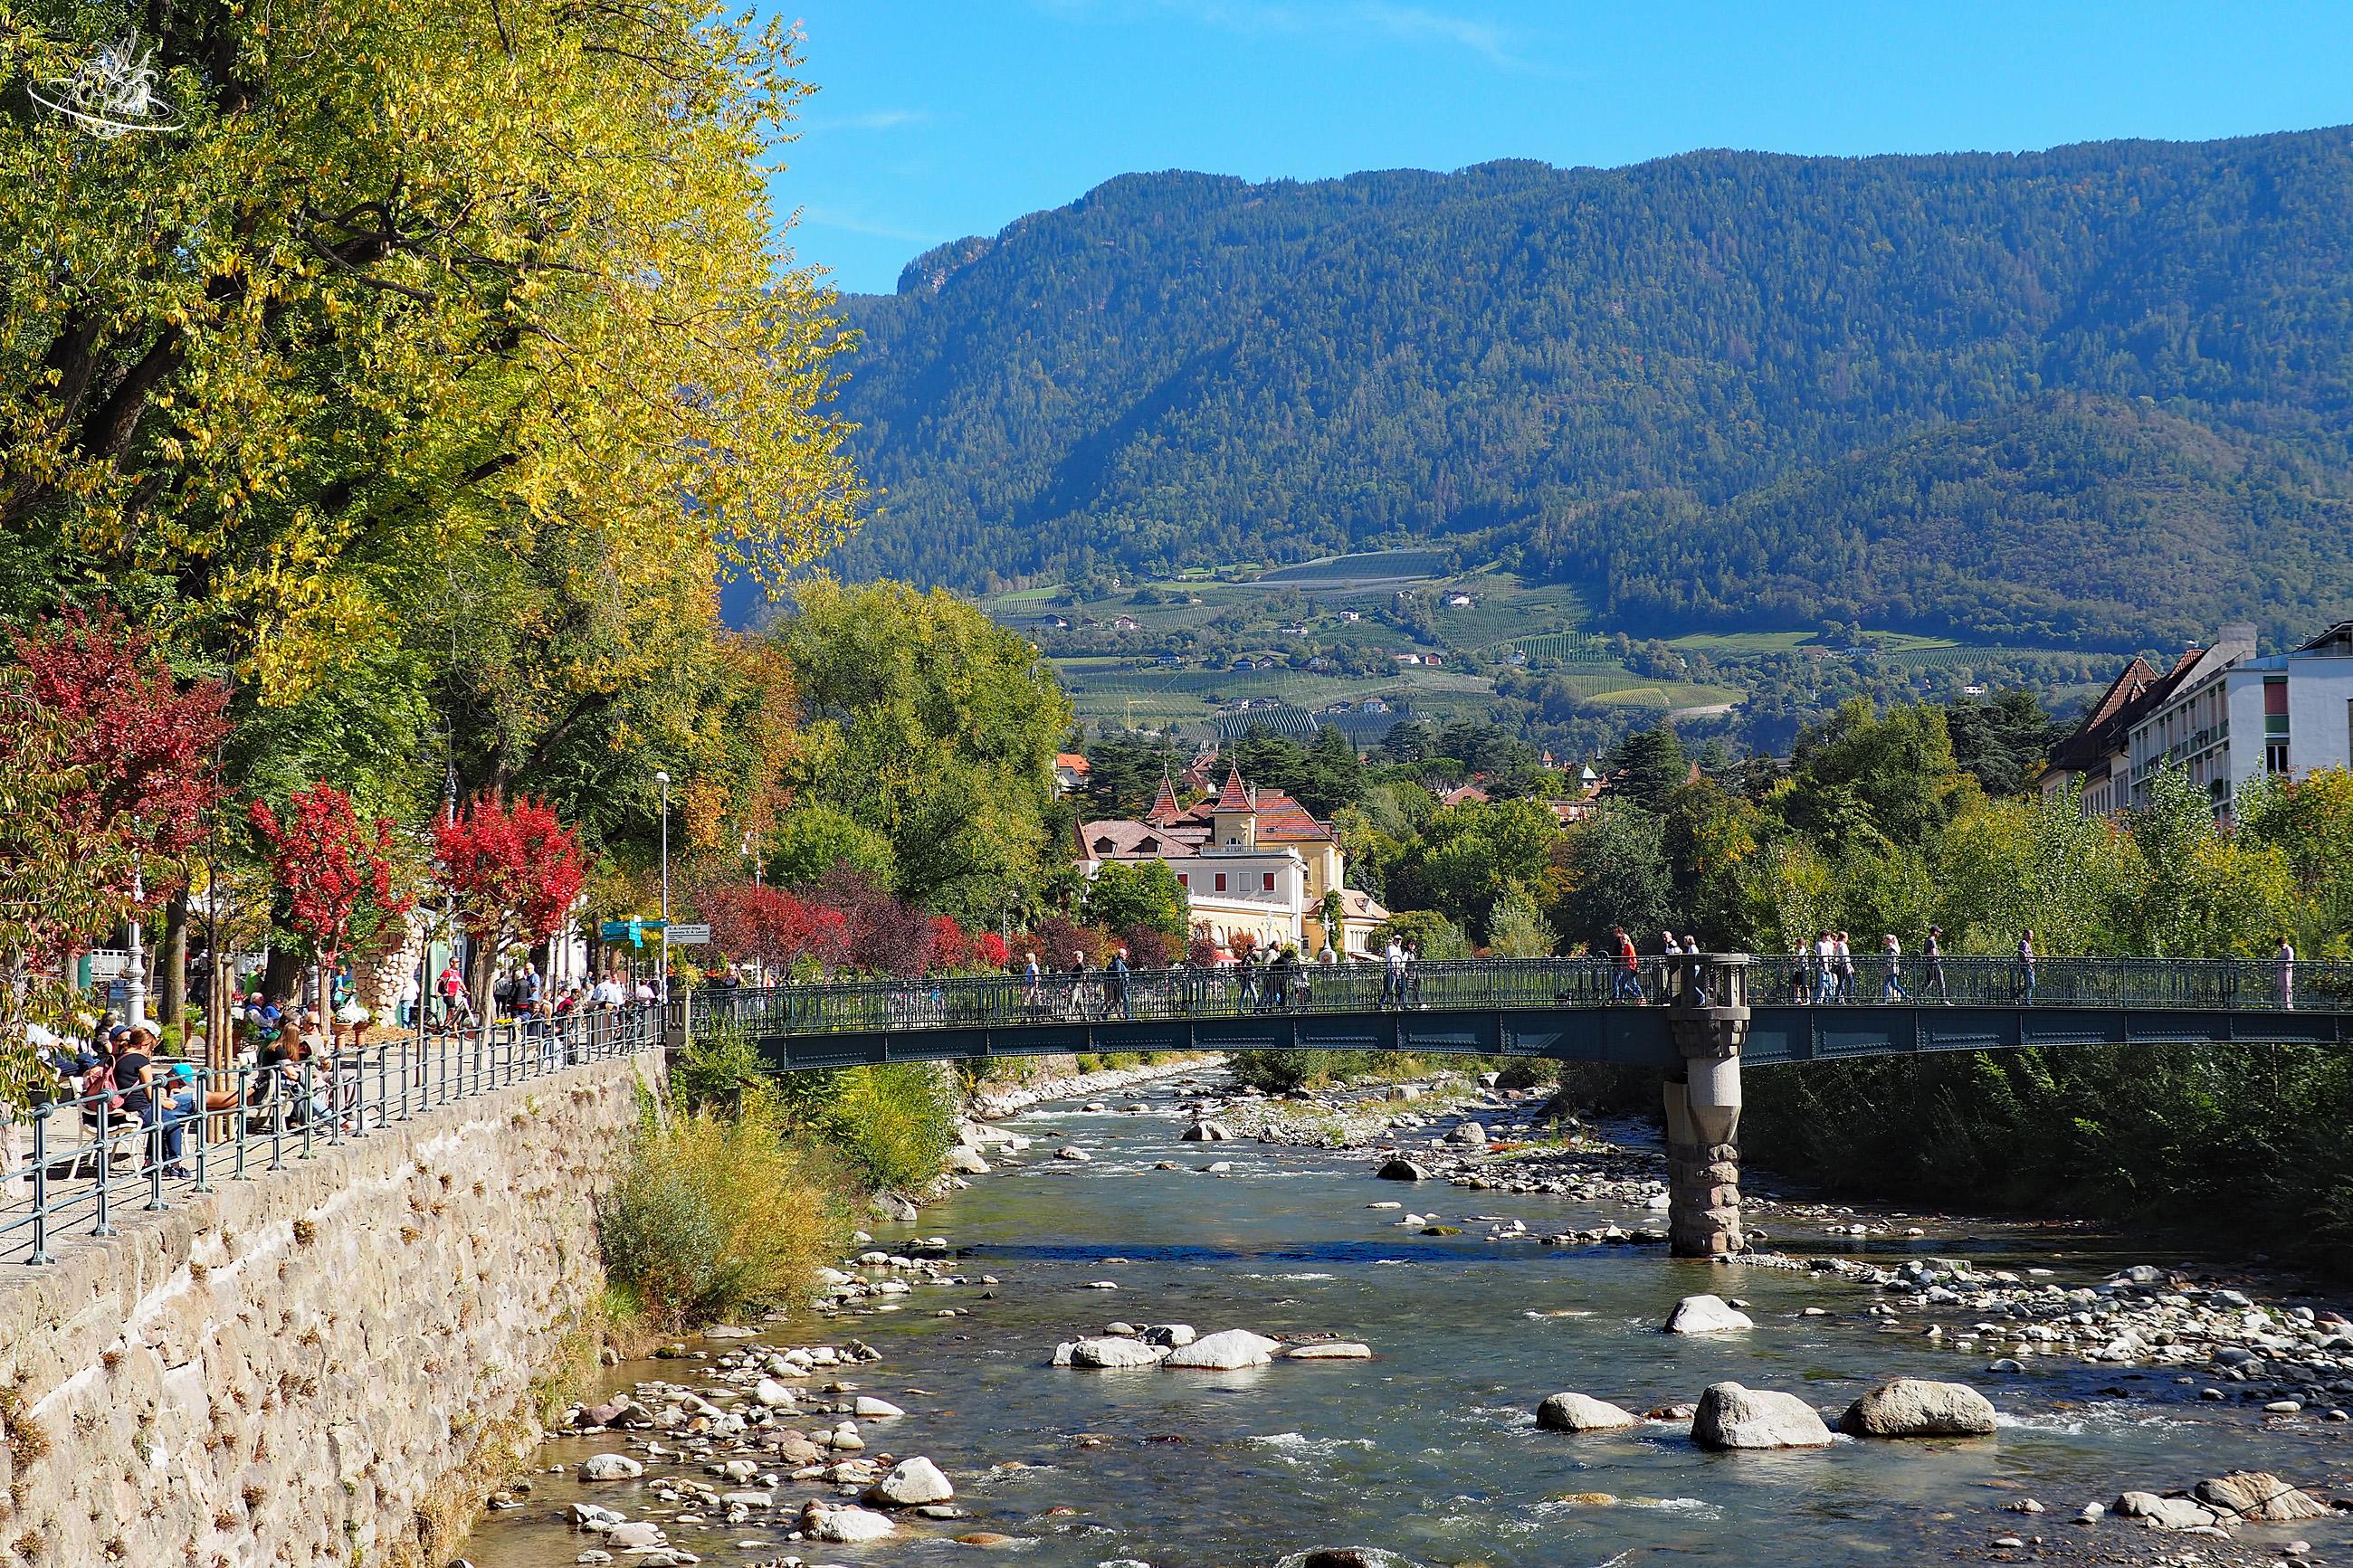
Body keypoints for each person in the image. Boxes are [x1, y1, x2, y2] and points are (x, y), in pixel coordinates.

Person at [1608, 925, 1643, 1003]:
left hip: (1629, 967)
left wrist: (1627, 965)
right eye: (1622, 939)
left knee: (1631, 983)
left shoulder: (1629, 946)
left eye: (1624, 939)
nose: (1623, 941)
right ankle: (1623, 998)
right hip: (1624, 967)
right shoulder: (1624, 946)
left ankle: (1640, 997)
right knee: (1622, 983)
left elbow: (1631, 957)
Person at [1923, 925, 1949, 1003]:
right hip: (1935, 964)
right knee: (1941, 982)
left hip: (1929, 964)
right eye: (1938, 932)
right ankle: (1943, 1000)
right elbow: (1933, 954)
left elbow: (1926, 953)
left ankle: (1917, 997)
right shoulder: (1932, 941)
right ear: (1935, 932)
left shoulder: (1927, 941)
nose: (1939, 934)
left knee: (1927, 982)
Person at [1881, 934, 1909, 1002]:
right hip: (1892, 969)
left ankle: (1884, 1001)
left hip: (1891, 969)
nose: (1884, 942)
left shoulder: (1892, 949)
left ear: (1888, 940)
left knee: (1886, 984)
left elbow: (1890, 960)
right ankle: (1906, 996)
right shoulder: (1891, 948)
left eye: (1885, 940)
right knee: (1894, 985)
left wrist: (1885, 968)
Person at [1105, 946, 1131, 1021]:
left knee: (1116, 1001)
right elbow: (1118, 974)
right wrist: (1122, 981)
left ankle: (1103, 1015)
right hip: (1120, 985)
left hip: (1120, 984)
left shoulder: (1119, 962)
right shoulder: (1118, 962)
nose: (1126, 957)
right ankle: (1127, 1016)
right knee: (1126, 1000)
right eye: (1125, 955)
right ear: (1121, 955)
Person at [1380, 937, 1406, 1008]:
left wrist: (1400, 969)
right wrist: (1395, 969)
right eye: (1397, 940)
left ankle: (1402, 1004)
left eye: (1400, 940)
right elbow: (1392, 958)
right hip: (1392, 971)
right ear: (1394, 940)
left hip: (1399, 970)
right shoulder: (1391, 947)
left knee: (1401, 987)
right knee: (1388, 987)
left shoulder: (1398, 948)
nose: (1399, 941)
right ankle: (1381, 1003)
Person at [1812, 930, 1837, 1004]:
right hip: (1823, 968)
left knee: (1829, 984)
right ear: (1824, 936)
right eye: (1828, 936)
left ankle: (1828, 1000)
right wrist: (1825, 968)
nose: (1829, 937)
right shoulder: (1820, 945)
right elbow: (1823, 957)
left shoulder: (1827, 944)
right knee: (1823, 984)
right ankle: (1820, 1000)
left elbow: (1833, 949)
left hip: (1828, 967)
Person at [2015, 929, 2037, 1002]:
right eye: (2031, 934)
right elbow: (2024, 955)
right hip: (2027, 966)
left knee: (2029, 984)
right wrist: (2031, 961)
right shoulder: (2024, 943)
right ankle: (2027, 1000)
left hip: (2027, 965)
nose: (2032, 936)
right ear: (2026, 934)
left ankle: (2019, 996)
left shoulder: (2026, 943)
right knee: (2031, 984)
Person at [2276, 936, 2297, 1011]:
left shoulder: (2288, 949)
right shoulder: (2282, 950)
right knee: (2282, 987)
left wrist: (2283, 963)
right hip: (2281, 971)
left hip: (2286, 971)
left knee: (2287, 987)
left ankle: (2289, 1005)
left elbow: (2290, 960)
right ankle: (2283, 1004)